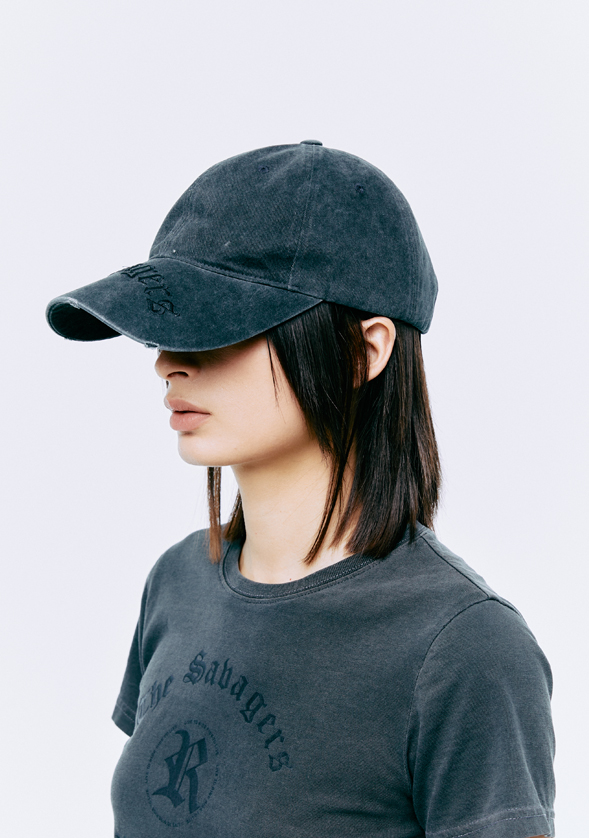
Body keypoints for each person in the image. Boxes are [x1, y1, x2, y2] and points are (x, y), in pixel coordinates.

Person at [45, 140, 555, 838]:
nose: (166, 362)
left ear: (364, 351)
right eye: (166, 330)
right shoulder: (177, 582)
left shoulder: (465, 649)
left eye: (215, 326)